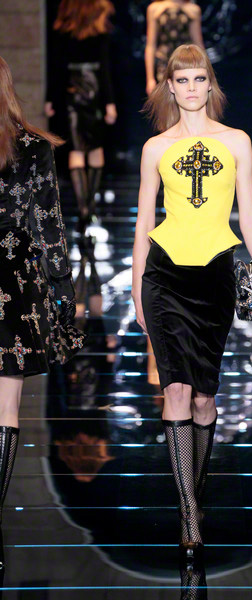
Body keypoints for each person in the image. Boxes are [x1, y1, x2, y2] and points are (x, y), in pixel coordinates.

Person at [131, 44, 252, 559]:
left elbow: (248, 212)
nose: (191, 88)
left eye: (198, 79)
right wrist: (137, 284)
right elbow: (144, 221)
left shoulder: (237, 141)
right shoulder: (155, 148)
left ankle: (197, 487)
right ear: (170, 87)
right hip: (165, 274)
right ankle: (189, 510)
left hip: (216, 275)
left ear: (209, 84)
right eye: (182, 80)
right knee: (175, 389)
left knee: (204, 399)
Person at [0, 55, 86, 538]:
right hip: (15, 281)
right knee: (6, 407)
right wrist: (62, 293)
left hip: (15, 280)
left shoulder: (35, 147)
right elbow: (49, 226)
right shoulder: (33, 147)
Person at [45, 0, 117, 233]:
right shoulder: (99, 27)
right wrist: (109, 103)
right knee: (95, 149)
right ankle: (89, 206)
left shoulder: (64, 26)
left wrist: (50, 99)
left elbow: (56, 66)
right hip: (94, 90)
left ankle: (84, 209)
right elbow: (105, 68)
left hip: (72, 91)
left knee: (76, 151)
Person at [145, 0, 204, 96]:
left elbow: (198, 44)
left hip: (187, 63)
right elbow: (151, 45)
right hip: (164, 64)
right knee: (166, 99)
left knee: (187, 96)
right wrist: (150, 79)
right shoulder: (154, 9)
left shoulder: (193, 10)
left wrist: (205, 71)